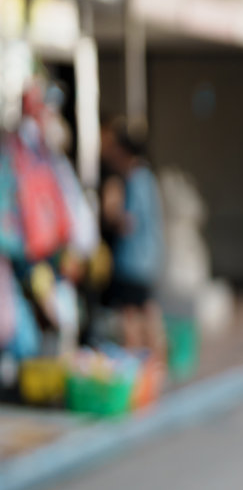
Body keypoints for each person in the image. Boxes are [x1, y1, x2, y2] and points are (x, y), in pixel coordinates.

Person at [100, 121, 165, 357]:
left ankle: (140, 366)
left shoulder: (134, 179)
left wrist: (109, 215)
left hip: (134, 260)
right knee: (148, 310)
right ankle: (155, 362)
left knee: (131, 315)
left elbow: (129, 222)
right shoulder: (147, 177)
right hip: (148, 258)